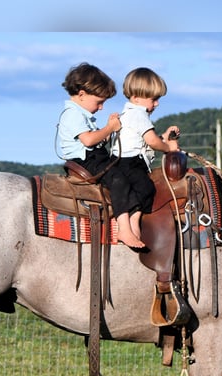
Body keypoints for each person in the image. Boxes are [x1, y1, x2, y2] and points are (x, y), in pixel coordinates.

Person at [110, 67, 180, 249]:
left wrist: (165, 137)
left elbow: (148, 142)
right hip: (130, 162)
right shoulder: (139, 114)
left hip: (122, 161)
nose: (156, 104)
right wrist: (169, 148)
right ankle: (132, 224)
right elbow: (152, 142)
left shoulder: (129, 114)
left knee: (138, 189)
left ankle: (132, 223)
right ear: (137, 98)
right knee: (147, 188)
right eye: (154, 99)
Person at [56, 62, 123, 182]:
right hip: (85, 162)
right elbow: (88, 140)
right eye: (99, 102)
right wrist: (109, 128)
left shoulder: (81, 115)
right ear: (82, 95)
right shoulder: (73, 114)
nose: (101, 107)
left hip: (91, 159)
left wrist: (108, 131)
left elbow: (96, 142)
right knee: (118, 179)